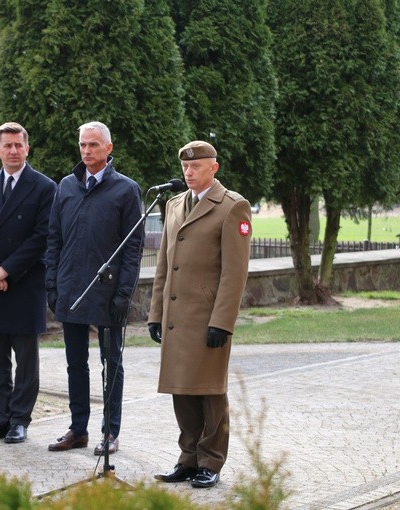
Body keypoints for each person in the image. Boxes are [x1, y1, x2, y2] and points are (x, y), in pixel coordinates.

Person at [148, 140, 251, 489]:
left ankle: (211, 461)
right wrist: (155, 312)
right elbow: (165, 263)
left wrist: (222, 322)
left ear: (214, 168)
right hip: (177, 315)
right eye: (185, 168)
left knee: (209, 392)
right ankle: (188, 457)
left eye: (196, 167)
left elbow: (234, 273)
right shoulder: (175, 204)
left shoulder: (232, 207)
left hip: (208, 317)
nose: (189, 172)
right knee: (182, 389)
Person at [45, 121, 143, 456]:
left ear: (108, 149)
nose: (87, 151)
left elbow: (133, 248)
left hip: (107, 291)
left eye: (94, 145)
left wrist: (123, 293)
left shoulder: (126, 190)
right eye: (83, 145)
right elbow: (54, 238)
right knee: (76, 363)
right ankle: (78, 429)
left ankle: (110, 432)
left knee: (110, 363)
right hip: (71, 288)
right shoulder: (67, 186)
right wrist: (52, 283)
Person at [0, 122, 57, 444]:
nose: (14, 151)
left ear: (27, 148)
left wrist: (6, 271)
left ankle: (20, 420)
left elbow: (42, 236)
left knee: (26, 360)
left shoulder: (44, 187)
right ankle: (1, 417)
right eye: (8, 145)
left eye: (19, 145)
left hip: (24, 283)